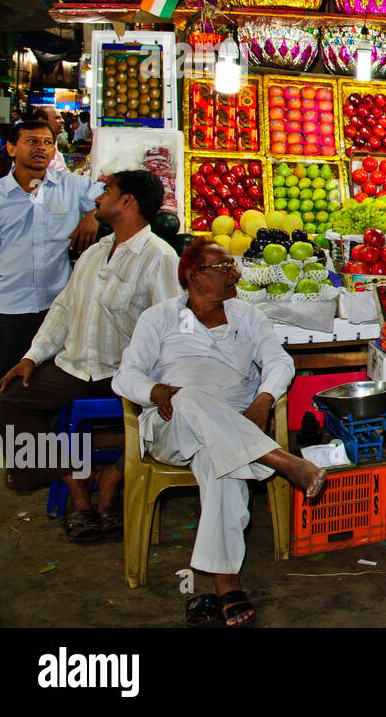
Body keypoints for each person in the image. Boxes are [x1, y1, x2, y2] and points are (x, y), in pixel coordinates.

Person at [113, 238, 326, 627]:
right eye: (222, 267)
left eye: (233, 265)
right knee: (190, 397)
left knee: (222, 463)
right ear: (193, 276)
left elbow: (279, 361)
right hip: (173, 426)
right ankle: (278, 459)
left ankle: (226, 585)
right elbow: (125, 375)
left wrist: (263, 400)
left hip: (235, 427)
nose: (235, 273)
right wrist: (155, 391)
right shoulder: (160, 317)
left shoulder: (247, 315)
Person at [0, 170, 180, 541]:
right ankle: (76, 481)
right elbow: (63, 310)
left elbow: (169, 328)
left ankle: (110, 482)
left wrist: (156, 382)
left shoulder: (159, 257)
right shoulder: (93, 253)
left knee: (167, 412)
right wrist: (32, 357)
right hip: (73, 366)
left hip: (123, 372)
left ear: (128, 202)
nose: (98, 198)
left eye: (107, 191)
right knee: (5, 403)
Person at [0, 120, 102, 383]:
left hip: (57, 307)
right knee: (7, 386)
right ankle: (11, 427)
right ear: (11, 148)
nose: (41, 147)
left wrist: (92, 212)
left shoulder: (73, 186)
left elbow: (107, 195)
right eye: (32, 141)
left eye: (48, 142)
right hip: (8, 307)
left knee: (47, 384)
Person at [29, 108, 69, 173]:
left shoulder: (54, 143)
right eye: (57, 118)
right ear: (42, 121)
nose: (62, 121)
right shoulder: (33, 147)